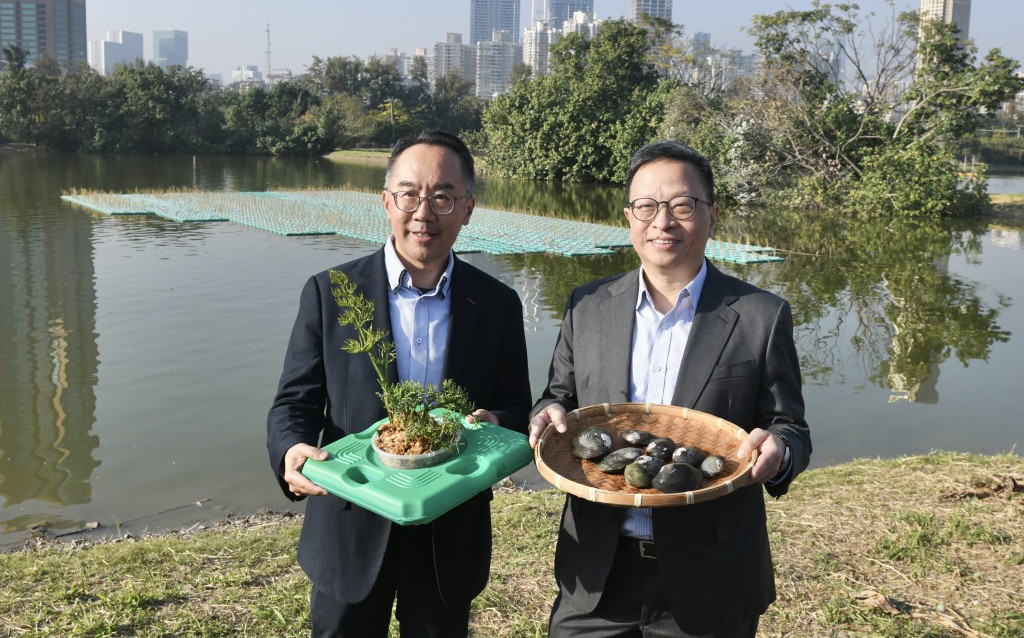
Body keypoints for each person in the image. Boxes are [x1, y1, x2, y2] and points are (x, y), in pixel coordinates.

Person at [528, 141, 811, 637]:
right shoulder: (587, 305)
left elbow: (790, 426)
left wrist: (780, 450)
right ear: (629, 216)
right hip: (597, 567)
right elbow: (560, 396)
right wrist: (547, 412)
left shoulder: (760, 317)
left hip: (711, 574)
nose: (663, 222)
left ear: (711, 215)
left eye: (682, 205)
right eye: (647, 206)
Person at [267, 129, 532, 638]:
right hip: (351, 520)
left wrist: (493, 422)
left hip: (449, 526)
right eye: (409, 194)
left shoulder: (496, 303)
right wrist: (290, 450)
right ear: (386, 202)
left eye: (443, 197)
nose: (424, 212)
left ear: (468, 207)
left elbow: (515, 404)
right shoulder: (330, 293)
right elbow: (293, 402)